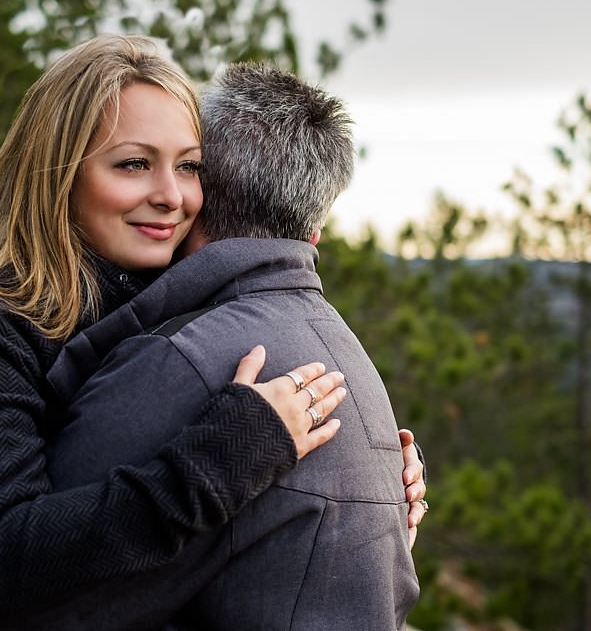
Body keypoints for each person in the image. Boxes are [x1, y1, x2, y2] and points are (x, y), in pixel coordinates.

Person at [0, 35, 426, 628]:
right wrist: (225, 457)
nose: (171, 195)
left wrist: (356, 491)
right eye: (132, 165)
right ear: (57, 174)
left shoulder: (176, 308)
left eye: (190, 166)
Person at [37, 62, 419, 629]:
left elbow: (30, 577)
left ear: (199, 194)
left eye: (187, 167)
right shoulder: (353, 362)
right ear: (313, 233)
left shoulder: (184, 358)